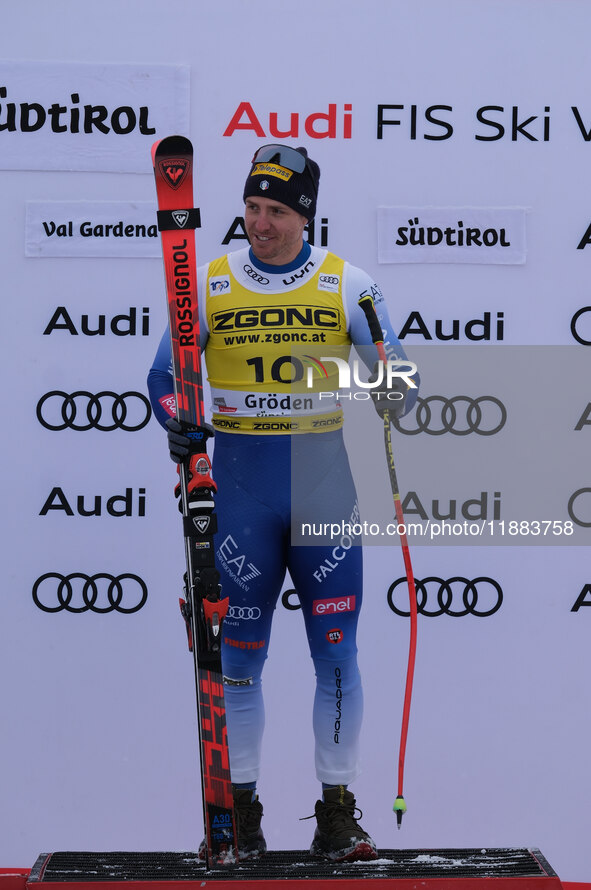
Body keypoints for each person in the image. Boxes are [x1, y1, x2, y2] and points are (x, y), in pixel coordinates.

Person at [147, 144, 419, 862]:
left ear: (304, 216)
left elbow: (400, 376)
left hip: (324, 487)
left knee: (336, 654)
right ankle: (238, 811)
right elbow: (164, 380)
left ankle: (336, 814)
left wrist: (392, 382)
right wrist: (181, 421)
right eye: (251, 207)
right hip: (241, 490)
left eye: (274, 210)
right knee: (237, 661)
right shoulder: (205, 283)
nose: (258, 223)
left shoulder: (347, 282)